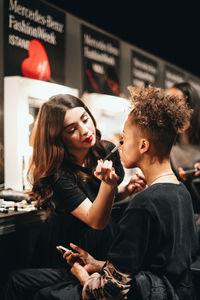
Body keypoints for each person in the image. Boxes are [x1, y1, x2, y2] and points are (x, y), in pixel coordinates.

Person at [0, 94, 145, 299]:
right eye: (72, 129)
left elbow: (96, 199)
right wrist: (109, 184)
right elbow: (94, 218)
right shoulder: (58, 175)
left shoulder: (107, 150)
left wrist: (124, 191)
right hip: (70, 254)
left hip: (104, 248)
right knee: (18, 283)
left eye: (85, 119)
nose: (85, 131)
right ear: (58, 138)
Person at [62, 85, 199, 300]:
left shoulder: (144, 204)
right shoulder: (181, 193)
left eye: (124, 138)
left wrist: (83, 276)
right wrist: (97, 264)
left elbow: (110, 292)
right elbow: (159, 264)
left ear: (143, 145)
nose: (120, 145)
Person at [167, 82, 200, 212]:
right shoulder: (170, 135)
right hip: (185, 203)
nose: (168, 105)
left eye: (175, 100)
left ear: (190, 105)